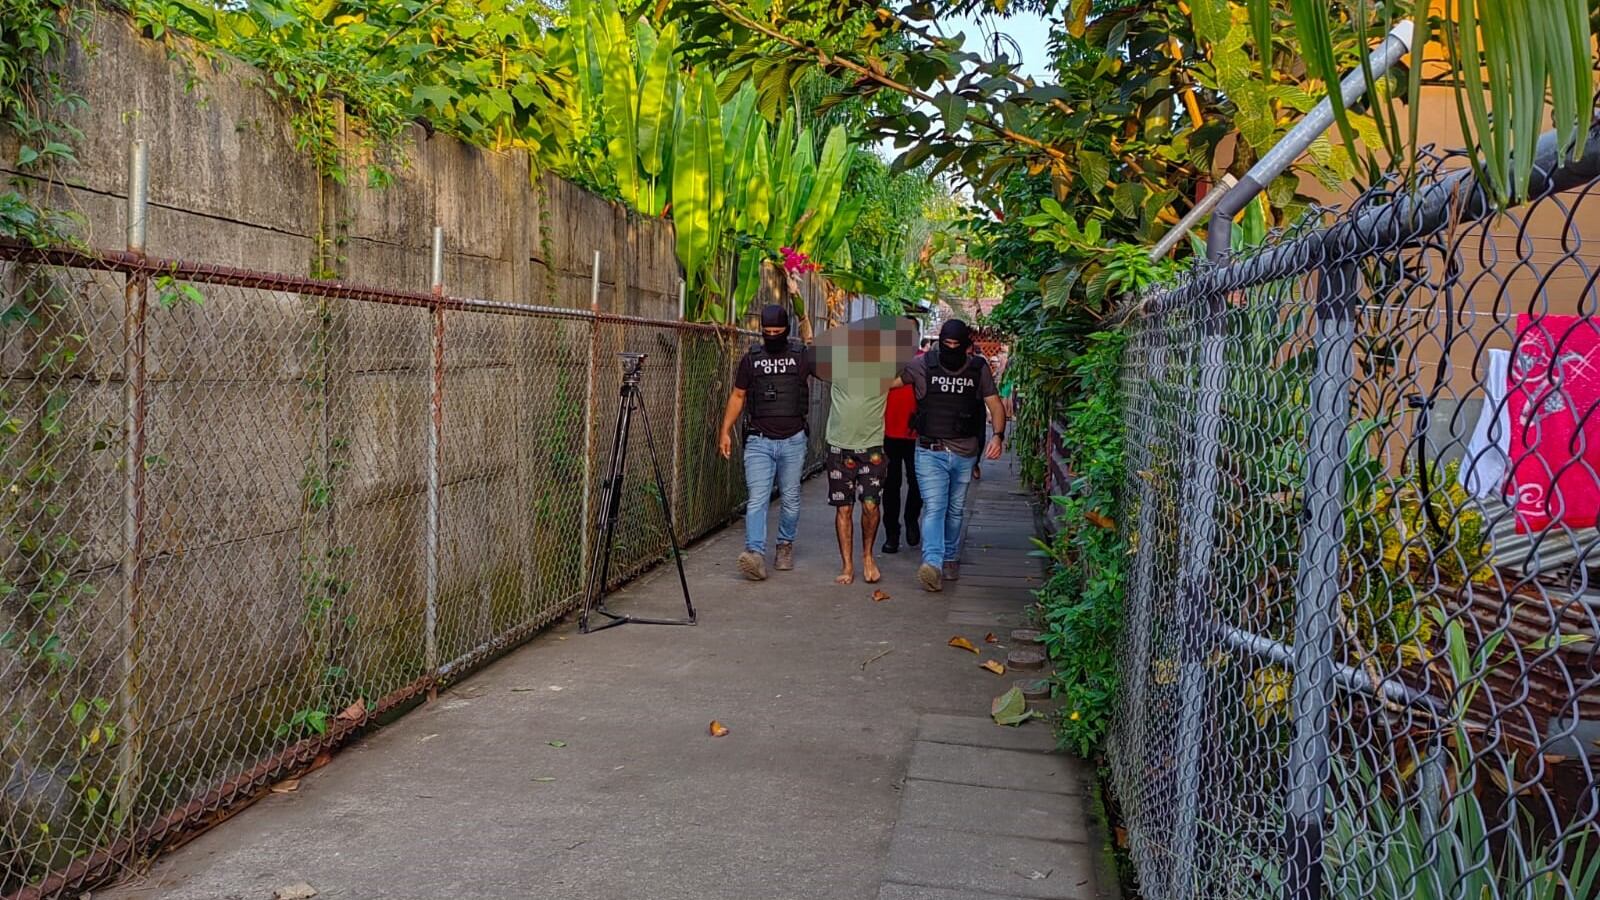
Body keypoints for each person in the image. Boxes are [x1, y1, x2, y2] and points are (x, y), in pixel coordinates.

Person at [898, 319, 1006, 592]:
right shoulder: (922, 365)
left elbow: (995, 404)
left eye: (957, 344)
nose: (952, 348)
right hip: (930, 451)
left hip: (965, 452)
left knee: (955, 510)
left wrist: (998, 435)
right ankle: (932, 563)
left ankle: (950, 558)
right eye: (947, 344)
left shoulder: (978, 368)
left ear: (967, 345)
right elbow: (887, 381)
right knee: (935, 507)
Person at [718, 304, 815, 581]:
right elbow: (738, 395)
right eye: (767, 331)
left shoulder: (801, 357)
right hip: (759, 441)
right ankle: (755, 553)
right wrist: (725, 430)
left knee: (791, 499)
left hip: (793, 440)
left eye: (777, 331)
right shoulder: (752, 359)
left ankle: (784, 545)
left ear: (787, 330)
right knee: (757, 499)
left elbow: (830, 368)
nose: (772, 336)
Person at [819, 323, 895, 586]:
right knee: (844, 508)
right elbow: (811, 346)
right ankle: (847, 565)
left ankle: (867, 556)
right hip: (839, 450)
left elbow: (916, 372)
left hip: (872, 451)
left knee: (871, 505)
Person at [881, 317, 923, 555]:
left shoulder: (925, 362)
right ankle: (892, 533)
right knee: (890, 485)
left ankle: (911, 518)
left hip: (918, 434)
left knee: (918, 482)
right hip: (888, 433)